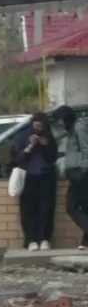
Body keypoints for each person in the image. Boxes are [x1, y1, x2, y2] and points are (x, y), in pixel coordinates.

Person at [13, 111, 59, 251]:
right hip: (28, 177)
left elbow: (53, 158)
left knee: (46, 208)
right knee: (28, 209)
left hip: (46, 176)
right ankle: (31, 240)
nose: (38, 129)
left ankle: (44, 239)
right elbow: (18, 158)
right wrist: (30, 146)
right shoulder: (23, 136)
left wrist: (46, 145)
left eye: (41, 127)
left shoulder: (49, 137)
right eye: (36, 126)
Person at [55, 105, 88, 250]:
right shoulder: (70, 130)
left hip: (81, 173)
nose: (59, 123)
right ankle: (86, 241)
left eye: (60, 119)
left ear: (66, 117)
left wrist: (83, 169)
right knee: (81, 207)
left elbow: (86, 149)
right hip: (74, 173)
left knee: (72, 205)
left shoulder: (79, 127)